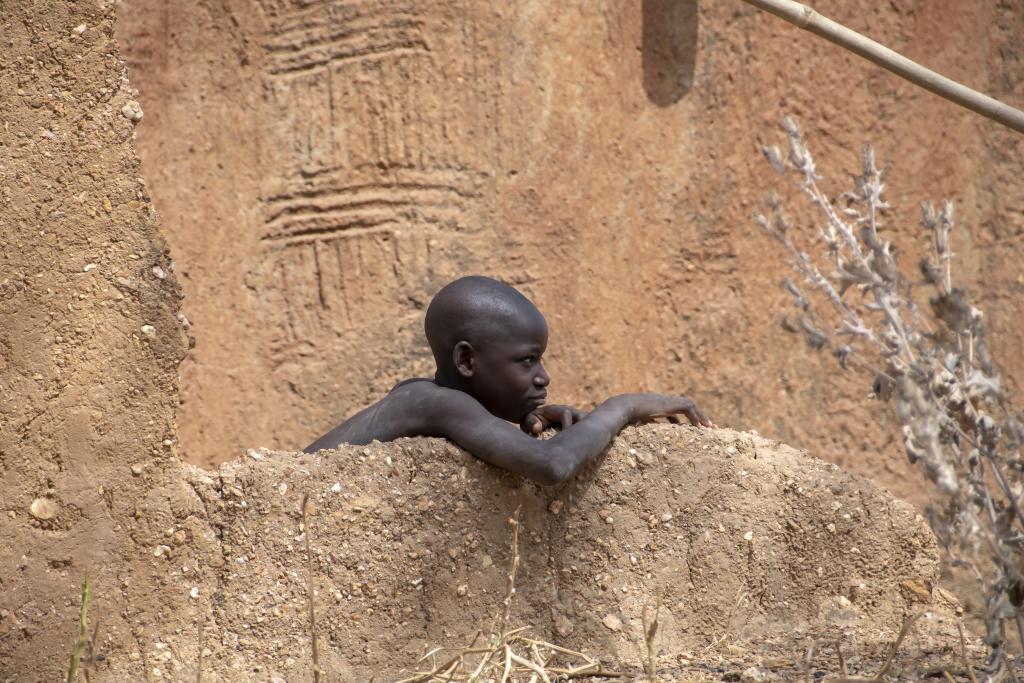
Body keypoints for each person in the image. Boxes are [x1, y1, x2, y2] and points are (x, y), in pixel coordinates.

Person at [304, 276, 714, 484]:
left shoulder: (421, 397)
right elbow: (552, 465)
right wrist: (623, 406)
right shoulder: (432, 403)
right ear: (466, 359)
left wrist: (520, 425)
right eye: (527, 361)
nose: (543, 376)